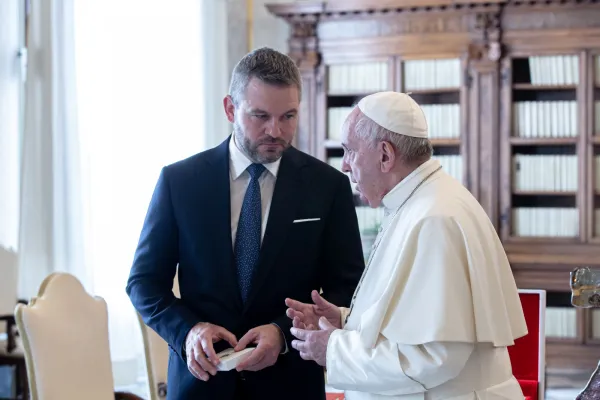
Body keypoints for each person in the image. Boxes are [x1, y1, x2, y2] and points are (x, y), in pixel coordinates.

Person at [125, 47, 365, 400]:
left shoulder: (327, 186)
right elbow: (143, 283)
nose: (276, 130)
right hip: (200, 386)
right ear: (230, 109)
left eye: (288, 116)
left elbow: (349, 290)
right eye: (260, 116)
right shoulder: (180, 182)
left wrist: (283, 334)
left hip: (289, 385)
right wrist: (188, 332)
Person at [286, 91, 529, 399]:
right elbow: (411, 320)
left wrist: (333, 347)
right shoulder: (420, 202)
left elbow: (433, 358)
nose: (345, 166)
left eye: (350, 152)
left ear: (385, 155)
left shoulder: (434, 218)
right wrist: (347, 321)